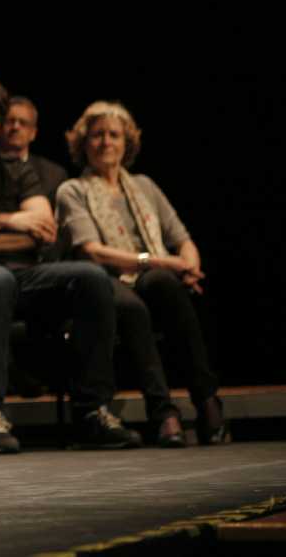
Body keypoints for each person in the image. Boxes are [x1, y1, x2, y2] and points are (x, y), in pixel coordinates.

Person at [0, 77, 141, 454]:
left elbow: (42, 231)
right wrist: (7, 221)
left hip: (21, 277)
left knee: (90, 278)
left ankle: (92, 411)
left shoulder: (17, 170)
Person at [56, 101, 227, 447]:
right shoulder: (72, 190)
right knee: (135, 303)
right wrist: (164, 262)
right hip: (102, 280)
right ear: (82, 143)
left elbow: (181, 237)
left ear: (127, 142)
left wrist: (188, 264)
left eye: (114, 135)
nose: (106, 142)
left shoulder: (144, 186)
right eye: (97, 135)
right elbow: (92, 250)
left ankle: (206, 398)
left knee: (164, 285)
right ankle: (163, 411)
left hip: (152, 275)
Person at [0, 96, 69, 213]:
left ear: (33, 133)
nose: (15, 127)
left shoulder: (55, 175)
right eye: (10, 121)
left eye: (23, 123)